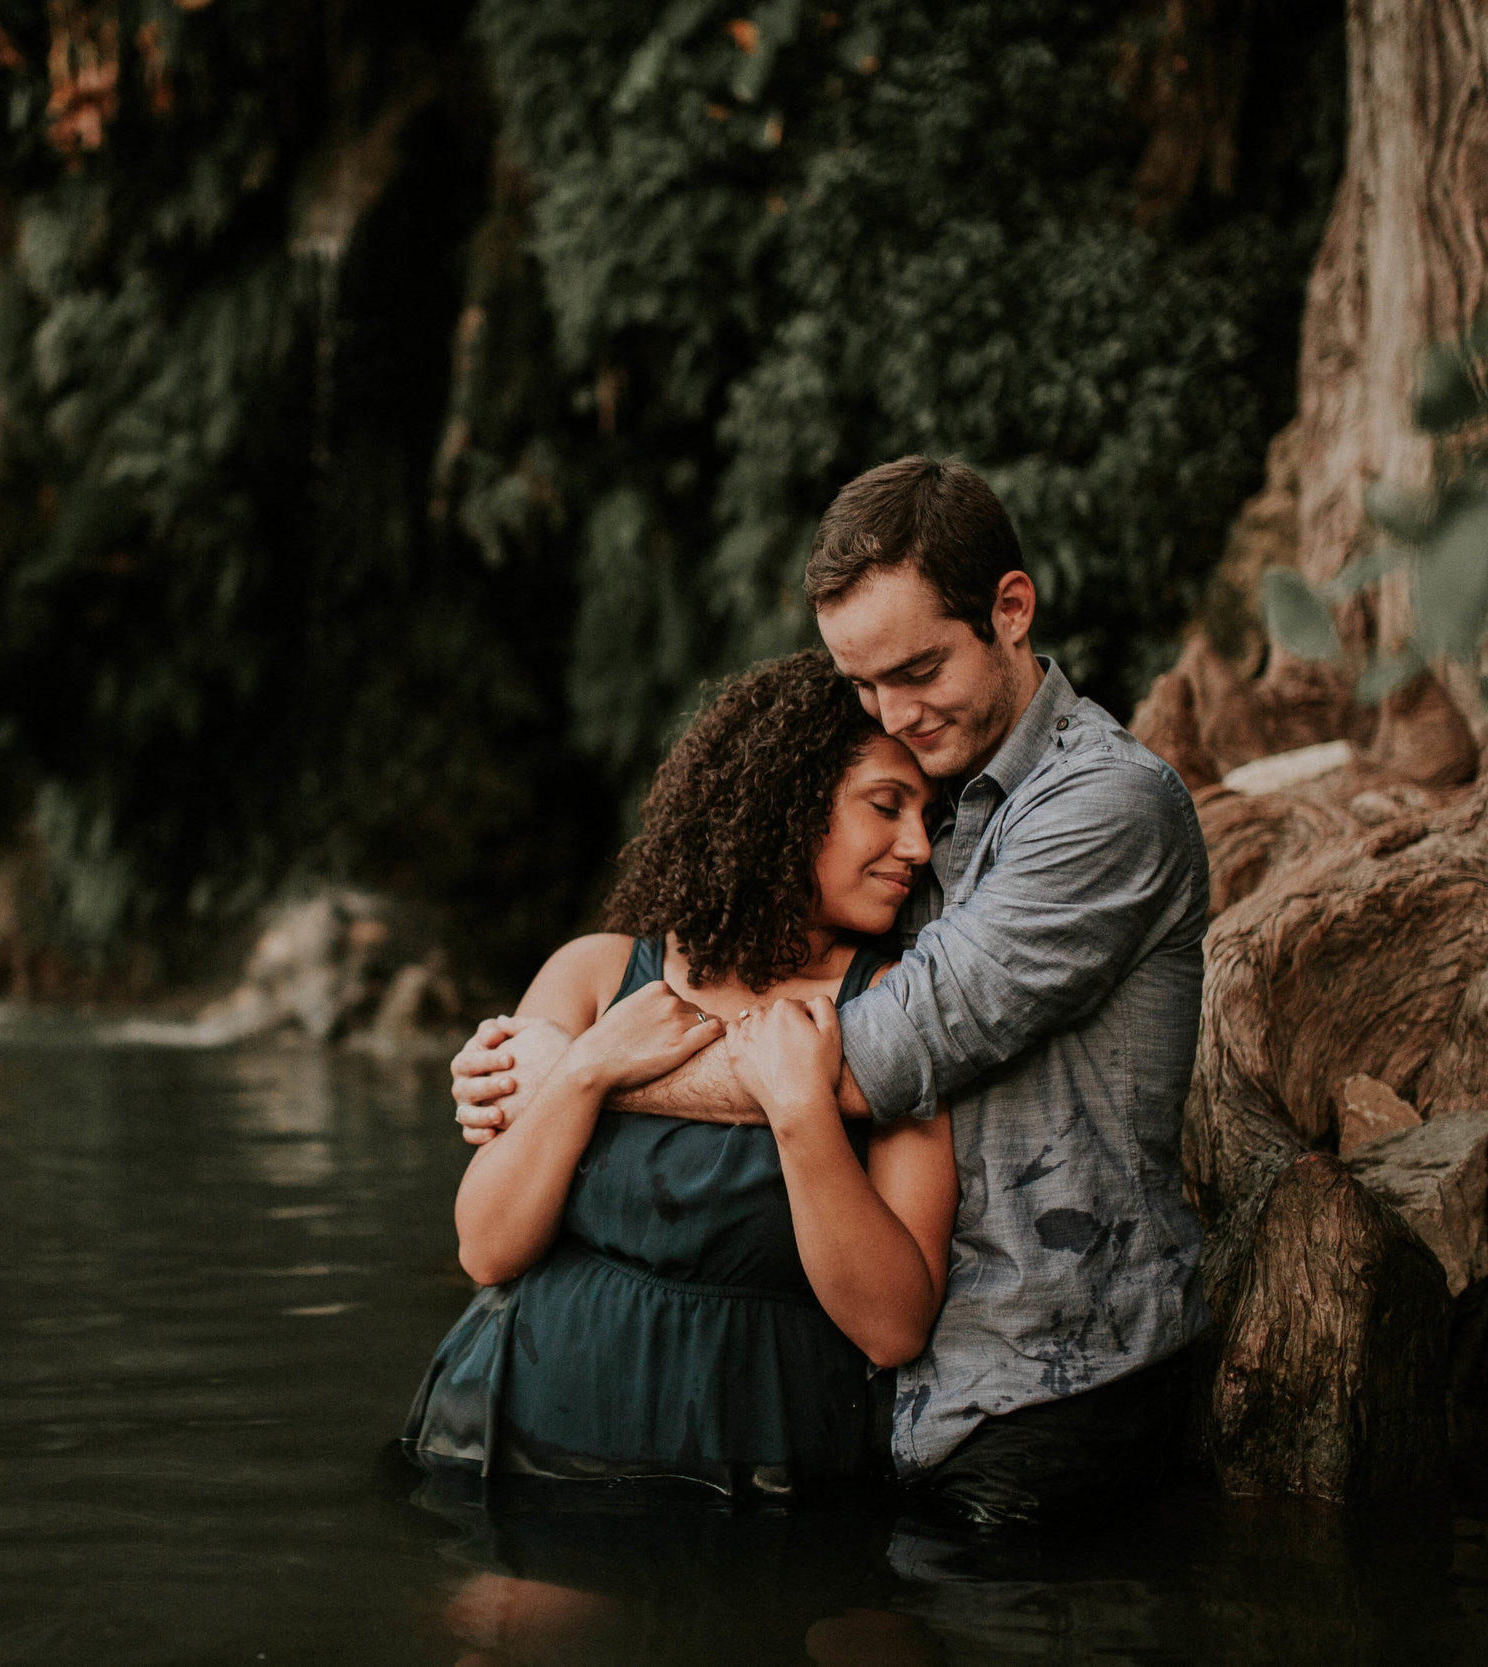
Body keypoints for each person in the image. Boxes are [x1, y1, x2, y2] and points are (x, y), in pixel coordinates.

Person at [455, 456, 1212, 1528]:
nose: (893, 714)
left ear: (1009, 609)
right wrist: (544, 1059)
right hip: (887, 1409)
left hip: (1046, 1378)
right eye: (861, 687)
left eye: (916, 670)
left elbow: (872, 1055)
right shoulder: (934, 802)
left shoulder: (1102, 805)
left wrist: (576, 1075)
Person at [403, 651, 956, 1495]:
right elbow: (485, 1246)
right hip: (524, 1435)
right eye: (886, 806)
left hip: (755, 1459)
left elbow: (894, 1328)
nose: (917, 845)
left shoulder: (898, 1006)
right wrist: (586, 1069)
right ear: (787, 809)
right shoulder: (596, 974)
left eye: (929, 815)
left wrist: (803, 1111)